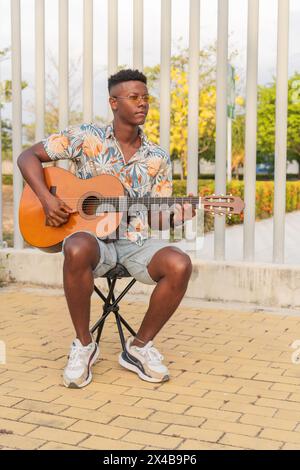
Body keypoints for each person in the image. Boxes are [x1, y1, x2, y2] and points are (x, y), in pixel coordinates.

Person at [17, 69, 194, 388]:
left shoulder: (157, 157)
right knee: (76, 245)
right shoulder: (86, 137)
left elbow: (156, 217)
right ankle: (84, 345)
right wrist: (46, 200)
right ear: (114, 102)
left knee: (180, 262)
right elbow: (27, 156)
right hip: (92, 241)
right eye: (133, 97)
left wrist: (176, 216)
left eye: (146, 97)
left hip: (134, 242)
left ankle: (138, 348)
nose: (142, 103)